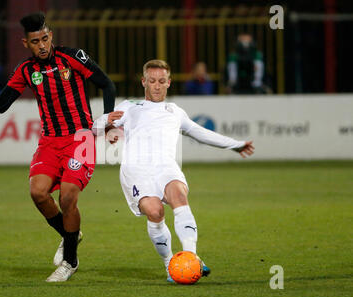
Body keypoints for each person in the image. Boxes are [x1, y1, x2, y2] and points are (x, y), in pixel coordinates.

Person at [0, 12, 121, 282]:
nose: (42, 45)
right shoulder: (26, 71)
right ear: (26, 43)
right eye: (36, 41)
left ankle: (69, 262)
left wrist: (108, 119)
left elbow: (106, 83)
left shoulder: (72, 57)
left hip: (80, 138)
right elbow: (2, 104)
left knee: (68, 197)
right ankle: (70, 235)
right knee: (38, 193)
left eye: (45, 39)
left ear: (51, 36)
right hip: (49, 141)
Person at [92, 59, 254, 282]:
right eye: (152, 81)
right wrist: (104, 120)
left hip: (165, 166)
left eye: (161, 81)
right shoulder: (129, 107)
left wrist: (234, 145)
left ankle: (191, 257)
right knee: (155, 212)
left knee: (179, 194)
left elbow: (200, 132)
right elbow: (95, 128)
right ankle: (170, 263)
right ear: (143, 82)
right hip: (136, 171)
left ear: (169, 83)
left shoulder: (175, 111)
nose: (156, 86)